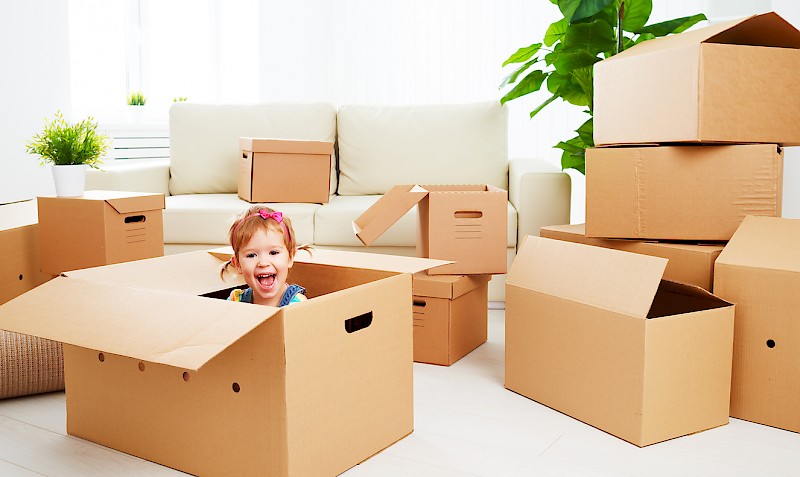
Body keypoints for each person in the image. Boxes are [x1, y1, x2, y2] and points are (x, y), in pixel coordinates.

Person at [221, 206, 312, 306]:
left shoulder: (298, 305)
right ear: (238, 264)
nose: (263, 263)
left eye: (273, 253)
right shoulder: (235, 301)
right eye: (251, 255)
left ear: (290, 257)